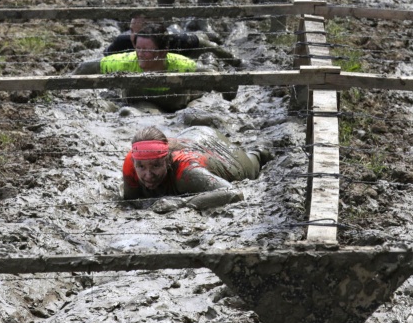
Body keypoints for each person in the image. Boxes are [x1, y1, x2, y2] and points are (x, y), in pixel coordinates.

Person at [72, 22, 226, 111]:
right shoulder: (126, 61)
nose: (140, 54)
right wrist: (65, 86)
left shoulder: (182, 65)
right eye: (138, 48)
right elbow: (85, 67)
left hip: (179, 105)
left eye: (147, 50)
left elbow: (219, 81)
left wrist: (228, 96)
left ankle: (208, 50)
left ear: (163, 52)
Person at [122, 125, 269, 208]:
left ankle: (261, 152)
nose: (148, 175)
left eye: (156, 165)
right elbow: (131, 202)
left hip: (221, 152)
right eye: (141, 167)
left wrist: (181, 202)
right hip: (189, 135)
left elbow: (234, 193)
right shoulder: (131, 164)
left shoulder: (186, 172)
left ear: (167, 161)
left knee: (252, 165)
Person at [104, 16, 241, 65]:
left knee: (206, 47)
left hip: (186, 37)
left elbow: (209, 46)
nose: (134, 37)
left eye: (139, 33)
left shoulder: (179, 41)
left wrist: (235, 61)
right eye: (132, 31)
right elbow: (105, 58)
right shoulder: (123, 41)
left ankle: (189, 24)